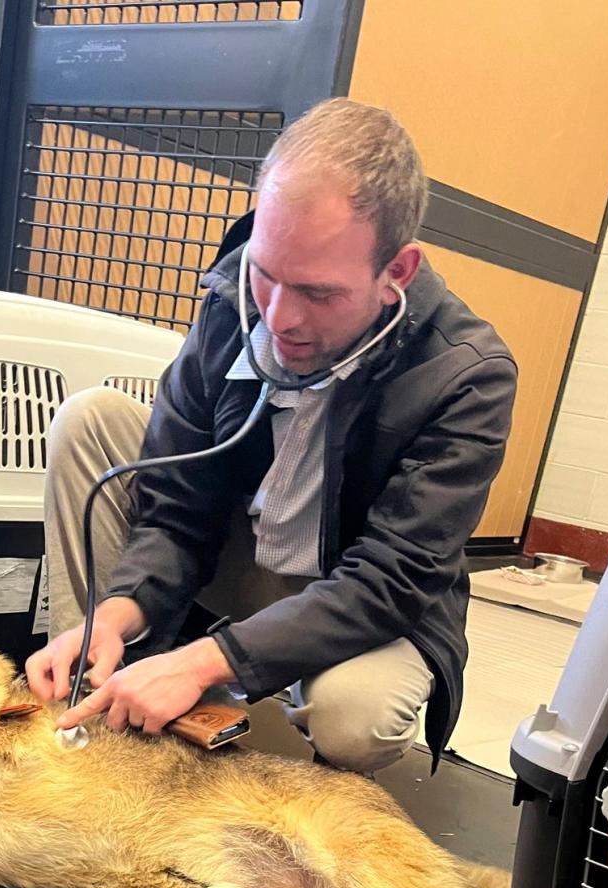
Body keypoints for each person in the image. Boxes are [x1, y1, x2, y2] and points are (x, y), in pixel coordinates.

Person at [28, 98, 518, 774]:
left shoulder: (468, 375)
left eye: (318, 294)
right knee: (91, 418)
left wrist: (207, 661)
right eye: (267, 274)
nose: (279, 317)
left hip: (357, 592)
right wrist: (117, 610)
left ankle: (222, 712)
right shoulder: (236, 298)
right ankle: (104, 681)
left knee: (357, 719)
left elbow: (388, 581)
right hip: (248, 553)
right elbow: (175, 510)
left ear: (395, 275)